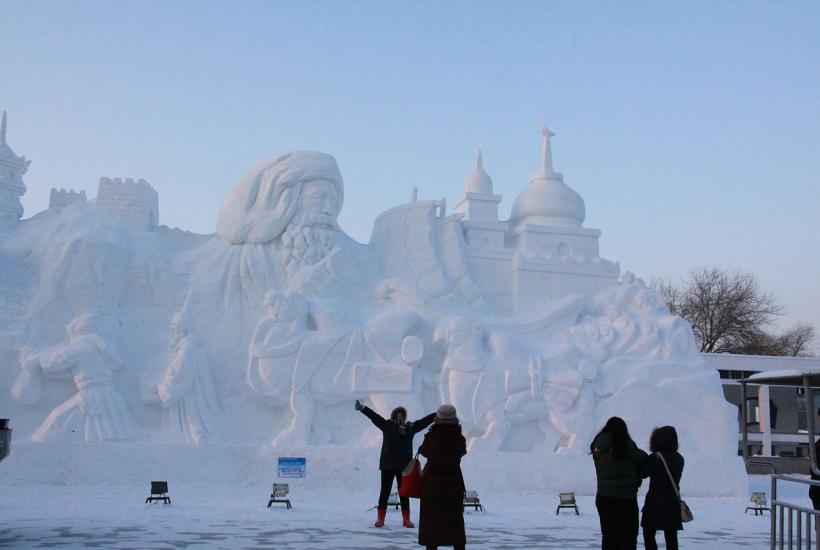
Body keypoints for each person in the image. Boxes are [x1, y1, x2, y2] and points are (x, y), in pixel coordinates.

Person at [356, 399, 436, 528]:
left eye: (401, 415)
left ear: (404, 417)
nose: (399, 417)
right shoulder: (387, 425)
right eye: (397, 415)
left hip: (404, 466)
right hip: (388, 464)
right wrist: (363, 408)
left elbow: (424, 422)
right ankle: (380, 519)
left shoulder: (411, 427)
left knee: (404, 492)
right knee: (385, 492)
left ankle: (406, 519)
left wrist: (435, 415)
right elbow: (374, 417)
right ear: (393, 416)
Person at [590, 416, 649, 550]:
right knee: (627, 536)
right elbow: (643, 459)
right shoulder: (624, 443)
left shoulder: (597, 443)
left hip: (603, 497)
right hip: (625, 498)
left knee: (609, 536)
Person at [418, 404, 467, 550]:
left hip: (432, 483)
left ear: (438, 417)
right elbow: (461, 452)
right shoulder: (459, 438)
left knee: (431, 521)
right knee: (455, 520)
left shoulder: (431, 437)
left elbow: (424, 452)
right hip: (453, 483)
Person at [640, 426, 684, 550]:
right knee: (671, 536)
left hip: (655, 501)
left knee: (649, 534)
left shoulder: (656, 457)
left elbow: (643, 473)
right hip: (672, 501)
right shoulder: (679, 458)